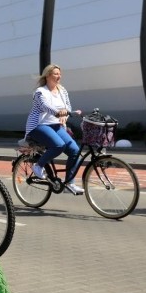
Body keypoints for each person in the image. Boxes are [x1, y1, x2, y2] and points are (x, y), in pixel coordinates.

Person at [24, 63, 84, 195]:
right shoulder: (40, 92)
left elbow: (67, 107)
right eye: (56, 74)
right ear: (47, 76)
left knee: (75, 150)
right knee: (58, 145)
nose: (59, 76)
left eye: (60, 74)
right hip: (39, 126)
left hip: (56, 125)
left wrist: (64, 117)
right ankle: (38, 165)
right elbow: (46, 107)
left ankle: (69, 183)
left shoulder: (62, 91)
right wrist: (58, 113)